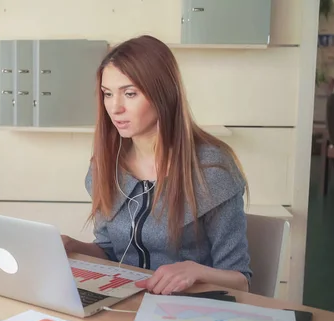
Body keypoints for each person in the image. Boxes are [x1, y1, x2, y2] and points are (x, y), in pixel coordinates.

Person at [62, 35, 252, 295]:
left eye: (130, 93)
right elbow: (110, 251)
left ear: (163, 93)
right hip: (123, 307)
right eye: (108, 94)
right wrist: (73, 246)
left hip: (189, 312)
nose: (114, 108)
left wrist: (195, 271)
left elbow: (241, 280)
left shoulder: (211, 169)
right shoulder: (105, 165)